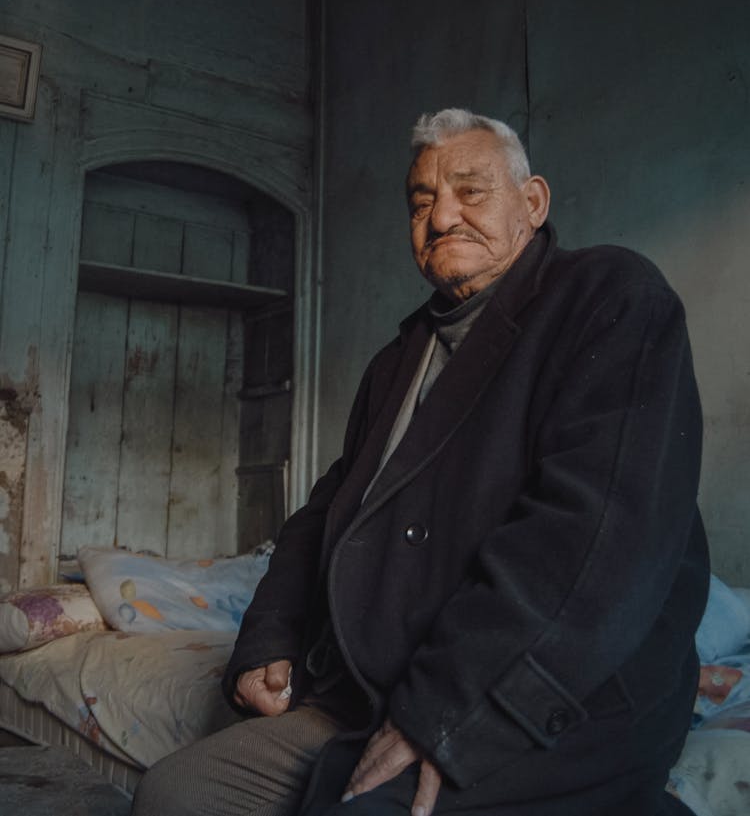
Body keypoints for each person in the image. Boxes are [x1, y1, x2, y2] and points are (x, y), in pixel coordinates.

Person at [132, 109, 709, 816]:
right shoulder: (398, 361)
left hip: (531, 690)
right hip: (375, 686)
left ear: (532, 204)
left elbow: (590, 541)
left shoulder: (611, 297)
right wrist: (270, 632)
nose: (441, 218)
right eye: (421, 201)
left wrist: (441, 713)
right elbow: (326, 512)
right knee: (174, 794)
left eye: (470, 191)